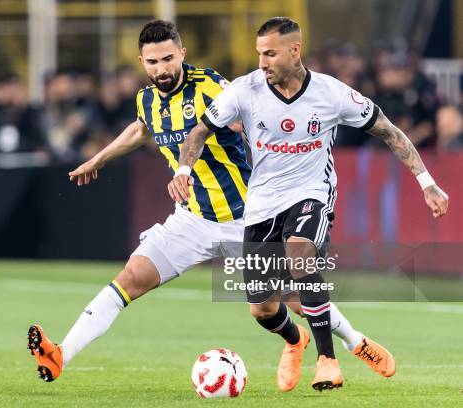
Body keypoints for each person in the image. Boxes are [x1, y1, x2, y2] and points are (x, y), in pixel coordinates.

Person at [26, 20, 395, 389]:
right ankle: (60, 354)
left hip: (247, 215)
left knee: (293, 297)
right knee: (130, 278)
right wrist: (99, 159)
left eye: (168, 59)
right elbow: (141, 129)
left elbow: (253, 112)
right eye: (152, 62)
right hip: (192, 219)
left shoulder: (212, 86)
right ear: (142, 61)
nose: (161, 69)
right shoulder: (147, 100)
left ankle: (355, 341)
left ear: (182, 54)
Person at [169, 17, 448, 391]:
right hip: (262, 202)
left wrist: (427, 183)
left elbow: (389, 132)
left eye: (270, 53)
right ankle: (299, 341)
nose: (262, 62)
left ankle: (327, 361)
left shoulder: (332, 94)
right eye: (259, 54)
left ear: (294, 50)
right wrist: (184, 169)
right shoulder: (244, 90)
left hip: (311, 192)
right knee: (263, 308)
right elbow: (200, 130)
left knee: (300, 257)